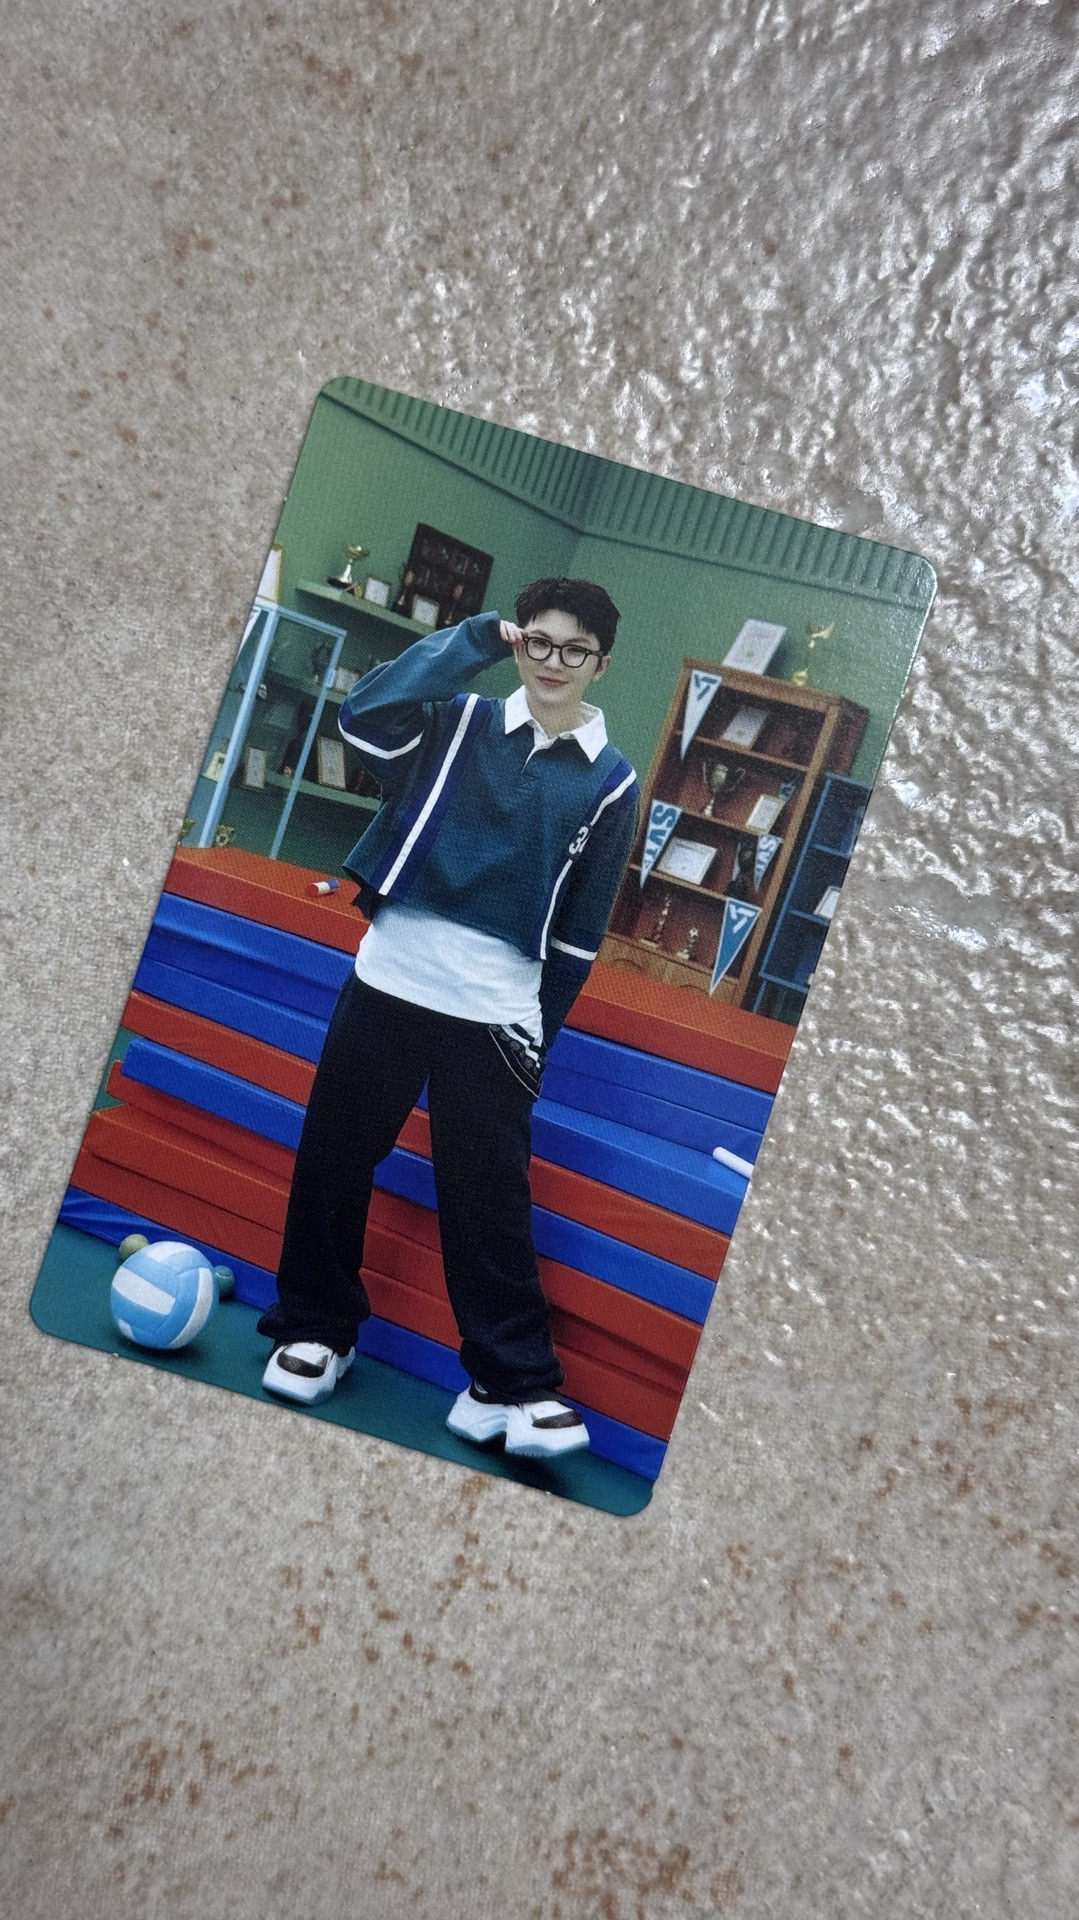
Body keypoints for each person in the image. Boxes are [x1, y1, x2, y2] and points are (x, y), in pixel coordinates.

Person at [257, 577, 638, 1460]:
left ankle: (508, 1384)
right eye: (537, 641)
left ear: (601, 663)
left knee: (487, 1201)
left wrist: (539, 1034)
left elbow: (579, 935)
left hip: (496, 1010)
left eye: (574, 649)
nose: (552, 661)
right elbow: (364, 713)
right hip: (391, 977)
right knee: (334, 1160)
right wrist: (470, 640)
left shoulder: (612, 784)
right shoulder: (456, 722)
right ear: (517, 641)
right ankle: (316, 1329)